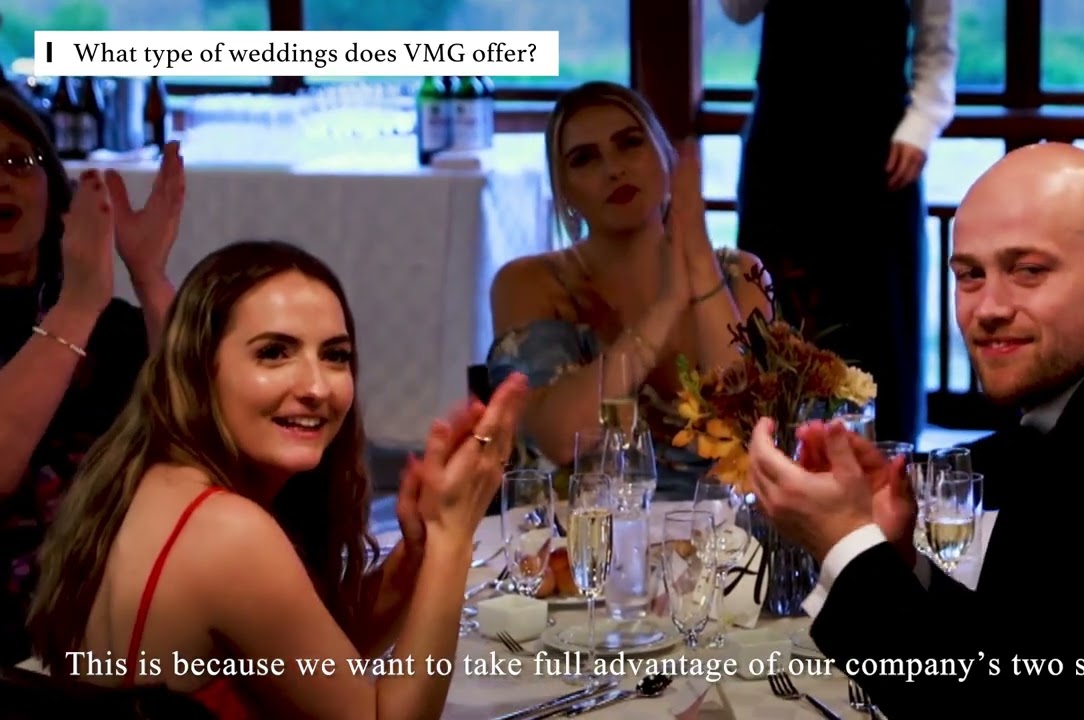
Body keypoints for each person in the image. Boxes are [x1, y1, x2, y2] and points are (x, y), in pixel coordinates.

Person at [747, 144, 1084, 717]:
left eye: (1029, 271)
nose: (989, 308)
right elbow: (1010, 648)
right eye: (970, 275)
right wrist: (898, 558)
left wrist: (846, 544)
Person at [25, 240, 530, 719]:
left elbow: (316, 663)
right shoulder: (227, 531)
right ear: (201, 368)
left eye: (334, 355)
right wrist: (452, 536)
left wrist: (417, 553)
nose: (317, 387)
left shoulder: (157, 476)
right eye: (273, 352)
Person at [487, 81, 772, 499]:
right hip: (579, 530)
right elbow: (561, 439)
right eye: (585, 159)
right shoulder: (531, 282)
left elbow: (753, 431)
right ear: (564, 191)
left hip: (723, 528)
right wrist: (667, 305)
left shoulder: (741, 273)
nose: (613, 169)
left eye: (630, 143)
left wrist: (699, 262)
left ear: (665, 156)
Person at [720, 0, 957, 445]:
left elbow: (936, 47)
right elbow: (737, 12)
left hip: (877, 148)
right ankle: (769, 455)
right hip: (782, 142)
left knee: (879, 320)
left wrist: (921, 126)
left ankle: (889, 461)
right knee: (774, 316)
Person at [0, 93, 184, 664]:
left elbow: (199, 432)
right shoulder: (83, 307)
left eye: (17, 162)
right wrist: (77, 306)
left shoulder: (111, 325)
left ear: (53, 191)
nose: (1, 180)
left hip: (122, 607)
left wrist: (149, 275)